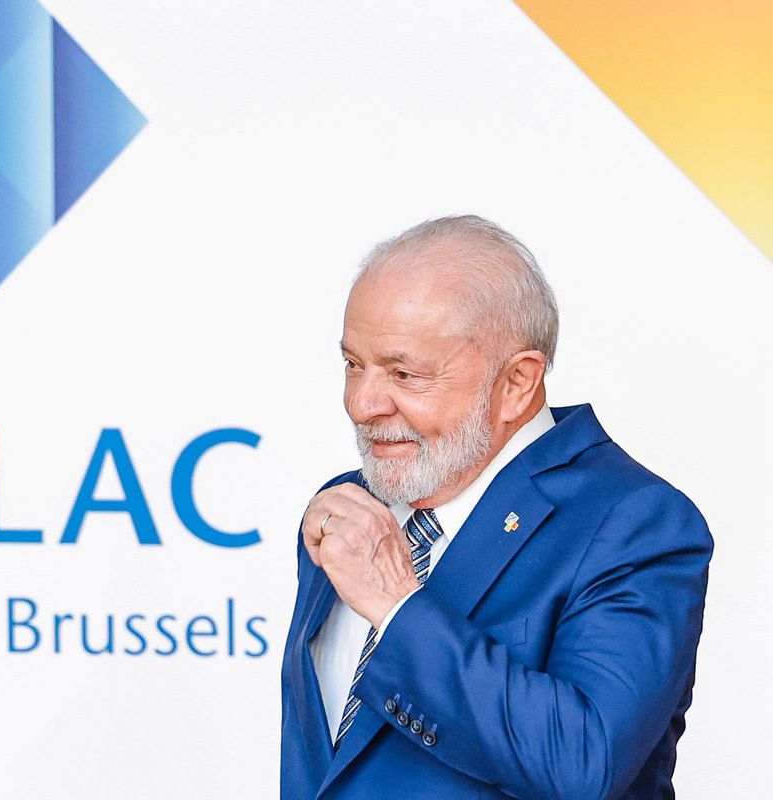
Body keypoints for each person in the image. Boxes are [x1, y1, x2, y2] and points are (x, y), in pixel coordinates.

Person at [278, 216, 712, 799]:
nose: (362, 403)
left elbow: (584, 766)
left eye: (404, 373)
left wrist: (395, 606)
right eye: (354, 364)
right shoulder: (351, 506)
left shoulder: (636, 522)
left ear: (517, 383)